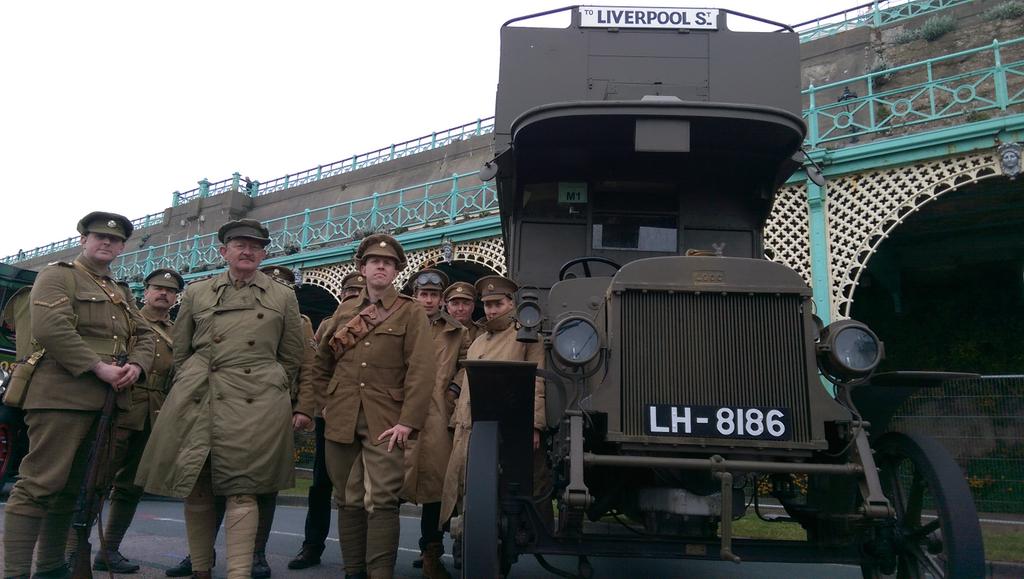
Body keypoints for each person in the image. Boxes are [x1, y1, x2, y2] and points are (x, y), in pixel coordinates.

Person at [135, 219, 309, 579]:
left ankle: (239, 572)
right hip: (202, 396)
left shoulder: (283, 295)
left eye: (255, 246)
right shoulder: (198, 292)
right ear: (223, 251)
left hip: (256, 401)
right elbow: (181, 352)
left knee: (243, 489)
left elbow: (292, 356)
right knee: (198, 487)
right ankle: (200, 569)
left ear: (263, 254)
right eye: (239, 245)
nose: (247, 251)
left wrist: (271, 383)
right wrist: (191, 383)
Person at [2, 211, 156, 579]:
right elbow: (51, 327)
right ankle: (15, 572)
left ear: (121, 247)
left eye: (114, 239)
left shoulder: (120, 292)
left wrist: (136, 366)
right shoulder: (57, 275)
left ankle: (51, 567)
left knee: (74, 490)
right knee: (40, 483)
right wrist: (97, 366)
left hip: (106, 402)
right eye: (98, 236)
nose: (106, 242)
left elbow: (146, 336)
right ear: (83, 240)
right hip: (61, 394)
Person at [311, 233, 436, 579]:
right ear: (363, 268)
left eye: (388, 262)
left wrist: (408, 422)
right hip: (341, 416)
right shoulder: (345, 311)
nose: (381, 266)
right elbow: (320, 363)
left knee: (381, 499)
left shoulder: (410, 312)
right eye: (374, 261)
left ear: (396, 270)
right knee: (348, 498)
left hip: (386, 419)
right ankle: (354, 571)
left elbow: (422, 370)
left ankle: (379, 573)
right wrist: (324, 403)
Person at [440, 275, 550, 544]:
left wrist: (535, 424)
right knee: (465, 490)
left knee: (505, 493)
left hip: (506, 430)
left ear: (511, 303)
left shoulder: (526, 336)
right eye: (487, 305)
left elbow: (538, 381)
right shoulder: (478, 341)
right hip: (469, 429)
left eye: (498, 303)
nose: (491, 310)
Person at [92, 268, 185, 573]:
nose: (163, 294)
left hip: (154, 413)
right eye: (157, 288)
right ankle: (74, 546)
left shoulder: (177, 331)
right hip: (121, 406)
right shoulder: (129, 319)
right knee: (96, 480)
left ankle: (110, 550)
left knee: (132, 486)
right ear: (145, 291)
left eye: (170, 291)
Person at [288, 270, 367, 571]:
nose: (352, 299)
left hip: (365, 413)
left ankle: (365, 553)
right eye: (348, 294)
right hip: (330, 413)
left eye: (357, 294)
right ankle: (312, 546)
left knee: (367, 485)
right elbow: (315, 367)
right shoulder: (327, 324)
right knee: (321, 483)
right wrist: (313, 407)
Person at [404, 268, 462, 578]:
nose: (428, 300)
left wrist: (453, 390)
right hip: (397, 413)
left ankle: (431, 554)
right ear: (415, 295)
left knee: (435, 490)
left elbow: (467, 365)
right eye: (423, 294)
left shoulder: (457, 332)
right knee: (386, 483)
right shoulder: (399, 323)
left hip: (438, 414)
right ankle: (377, 554)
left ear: (441, 299)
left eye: (434, 295)